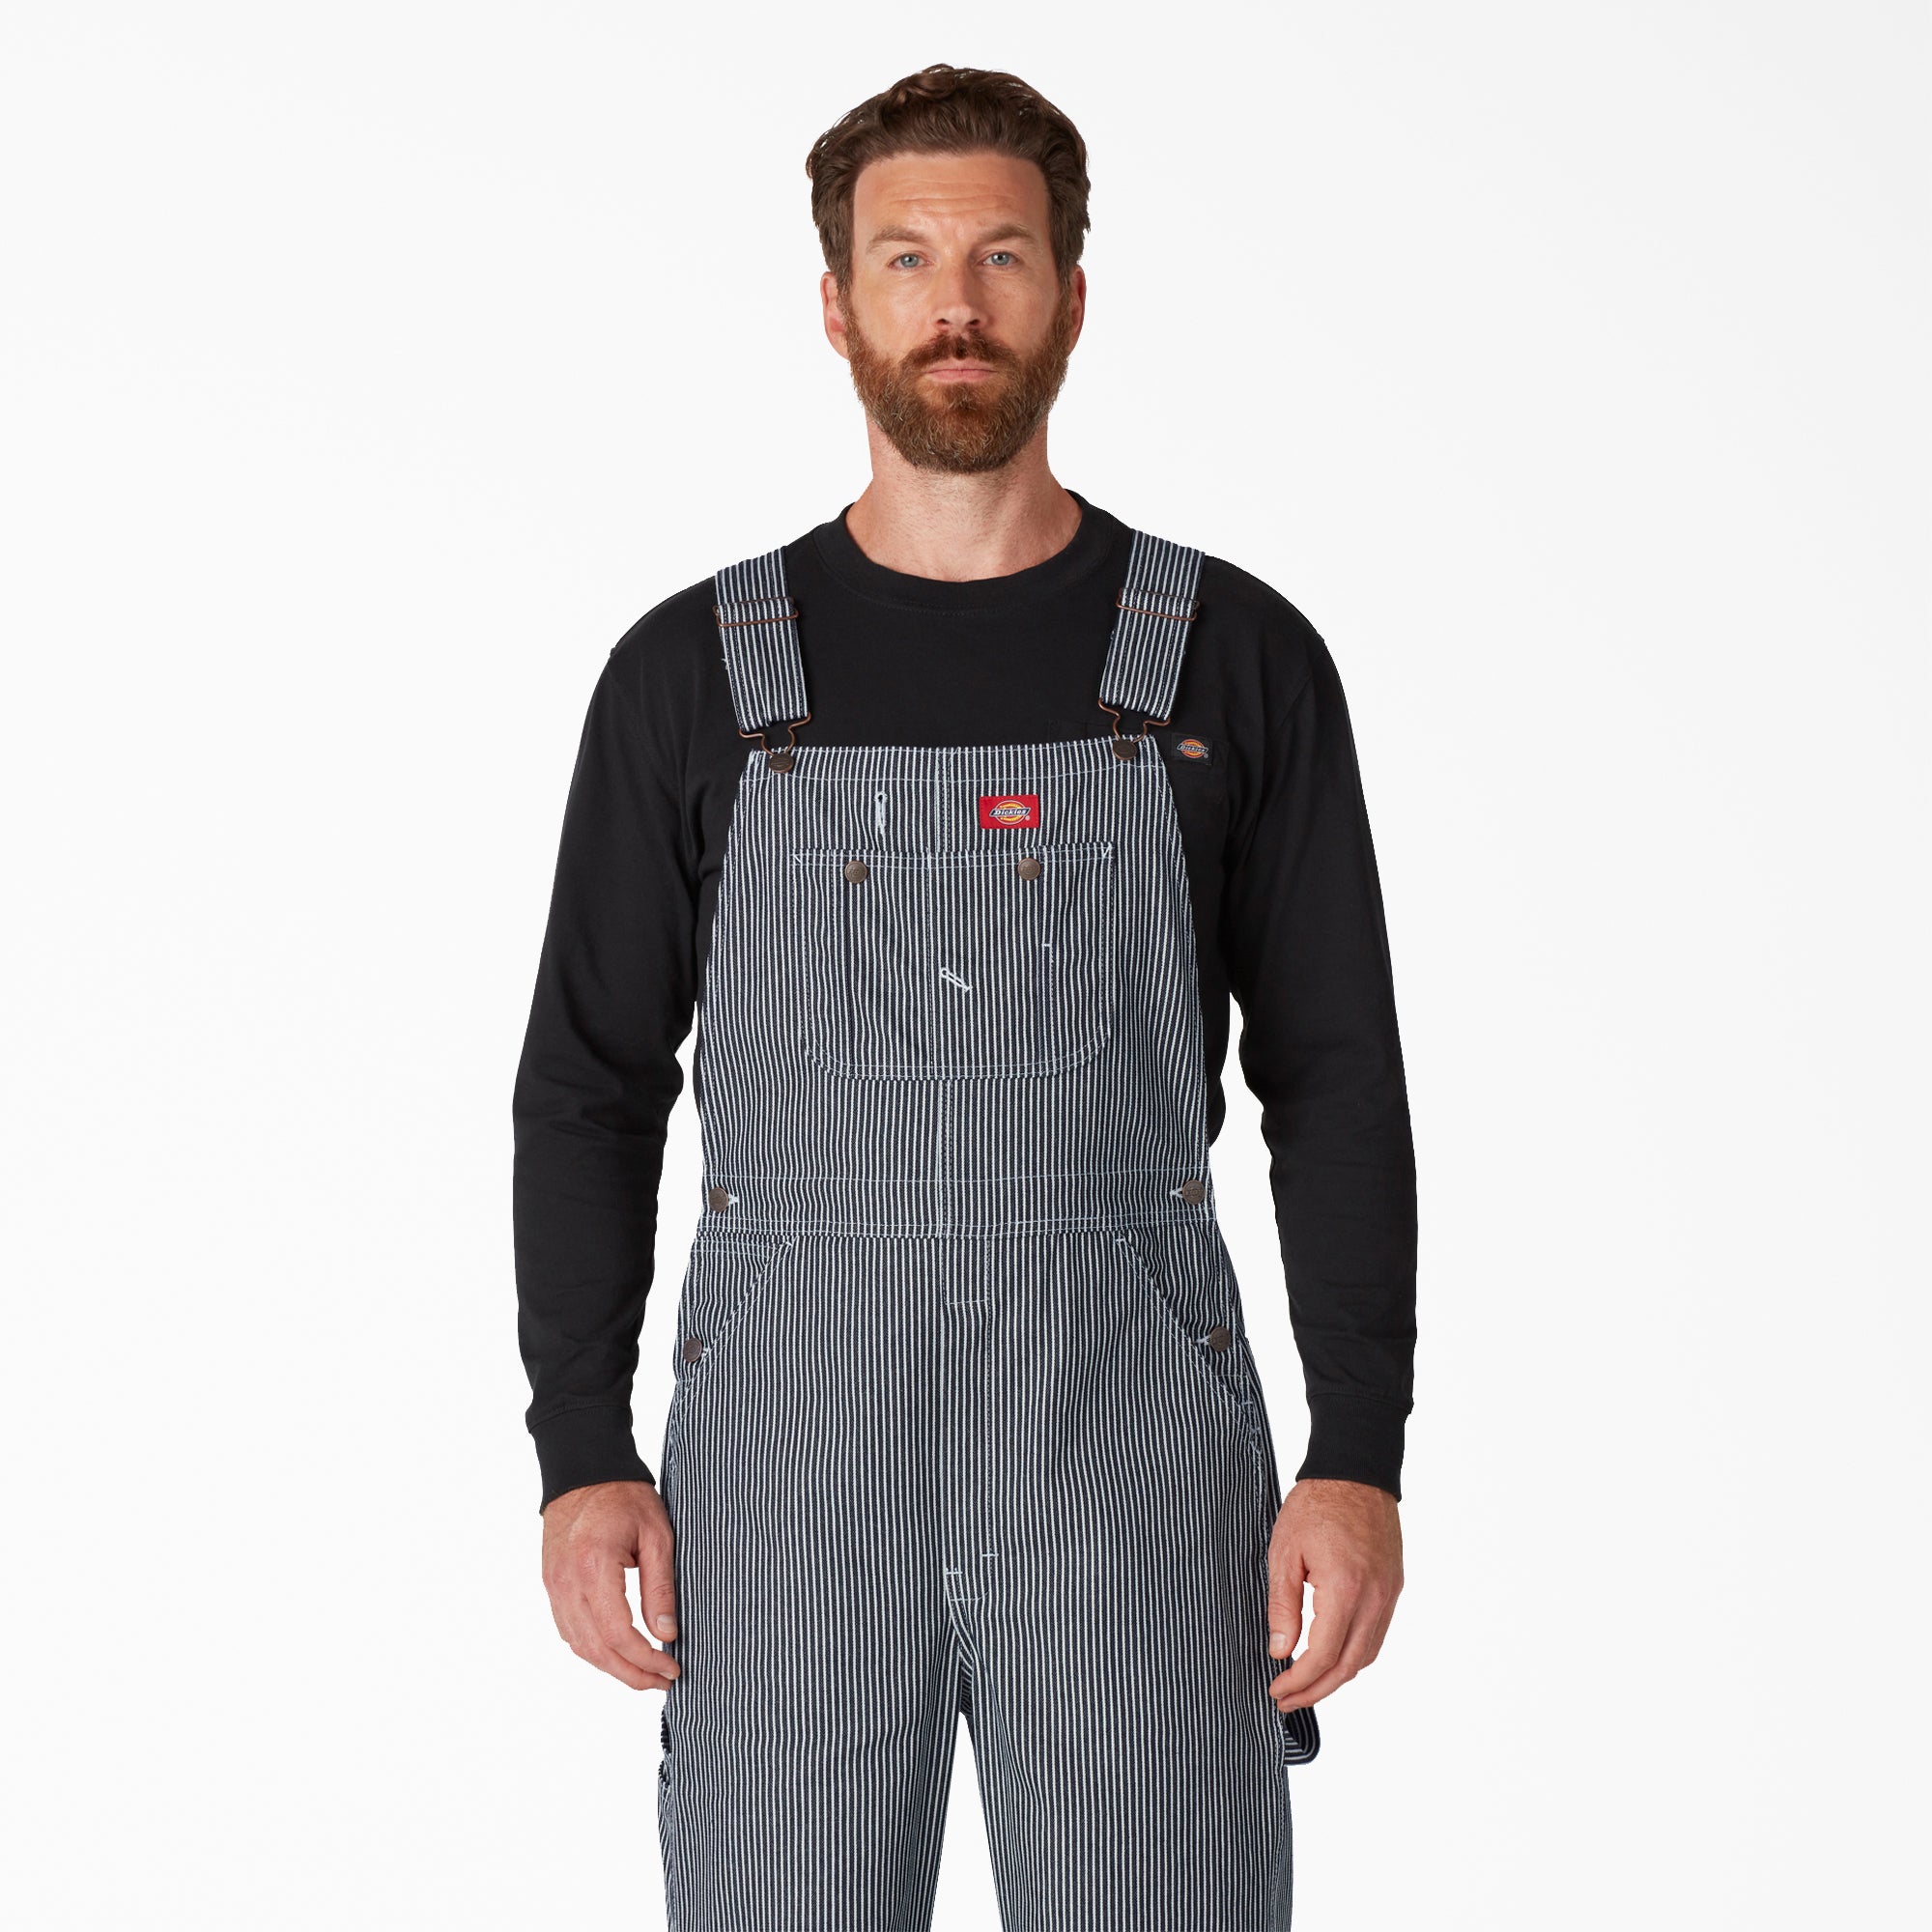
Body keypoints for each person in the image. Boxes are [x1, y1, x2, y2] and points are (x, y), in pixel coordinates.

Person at [513, 62, 1416, 1930]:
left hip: (1129, 1447)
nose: (956, 304)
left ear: (1071, 294)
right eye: (907, 258)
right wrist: (580, 1447)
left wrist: (1357, 1454)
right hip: (790, 1472)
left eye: (1001, 255)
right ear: (835, 302)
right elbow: (590, 1085)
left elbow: (1337, 1078)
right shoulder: (691, 678)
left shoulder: (1233, 661)